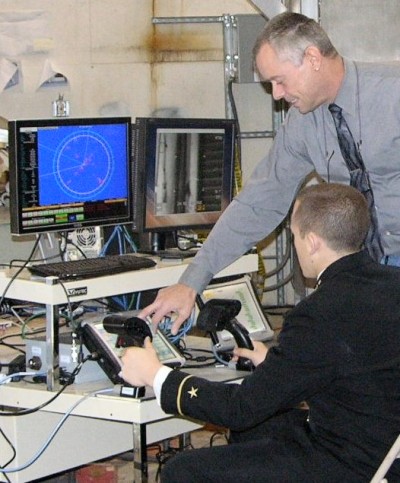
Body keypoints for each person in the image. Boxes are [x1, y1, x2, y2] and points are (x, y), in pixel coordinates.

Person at [139, 11, 400, 335]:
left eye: (279, 80)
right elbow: (260, 202)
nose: (276, 95)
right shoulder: (303, 123)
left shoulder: (393, 95)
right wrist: (192, 280)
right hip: (365, 276)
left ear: (312, 58)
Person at [122, 183, 400, 482]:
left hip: (355, 463)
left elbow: (238, 408)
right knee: (257, 427)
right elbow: (359, 366)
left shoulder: (317, 312)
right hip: (383, 444)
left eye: (293, 235)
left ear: (312, 243)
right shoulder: (391, 283)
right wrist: (276, 365)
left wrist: (155, 374)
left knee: (184, 470)